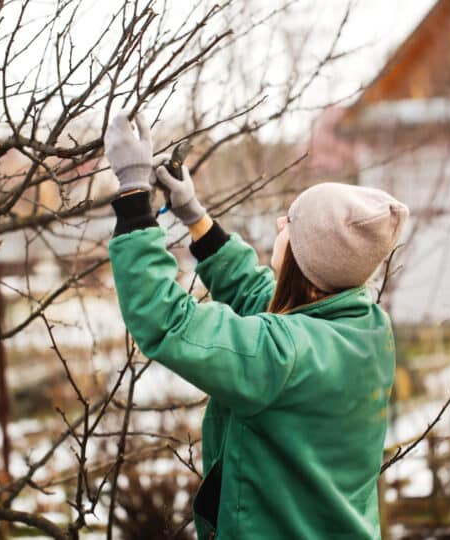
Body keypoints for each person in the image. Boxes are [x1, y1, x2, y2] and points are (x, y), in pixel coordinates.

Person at [104, 113, 409, 540]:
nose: (280, 224)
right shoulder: (367, 328)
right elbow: (263, 296)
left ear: (311, 258)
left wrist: (134, 192)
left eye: (292, 223)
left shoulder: (284, 356)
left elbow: (170, 320)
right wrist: (195, 217)